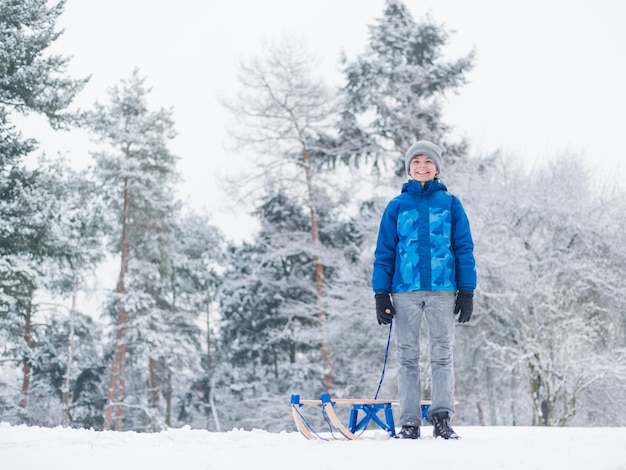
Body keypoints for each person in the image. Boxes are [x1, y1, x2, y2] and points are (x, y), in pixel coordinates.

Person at [372, 140, 476, 440]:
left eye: (427, 162)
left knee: (442, 355)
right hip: (404, 292)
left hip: (443, 290)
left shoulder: (451, 204)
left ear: (437, 168)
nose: (422, 166)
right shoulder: (396, 206)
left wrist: (467, 290)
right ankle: (410, 422)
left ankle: (442, 417)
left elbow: (463, 247)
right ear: (408, 169)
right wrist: (381, 293)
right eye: (416, 162)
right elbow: (385, 252)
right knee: (406, 357)